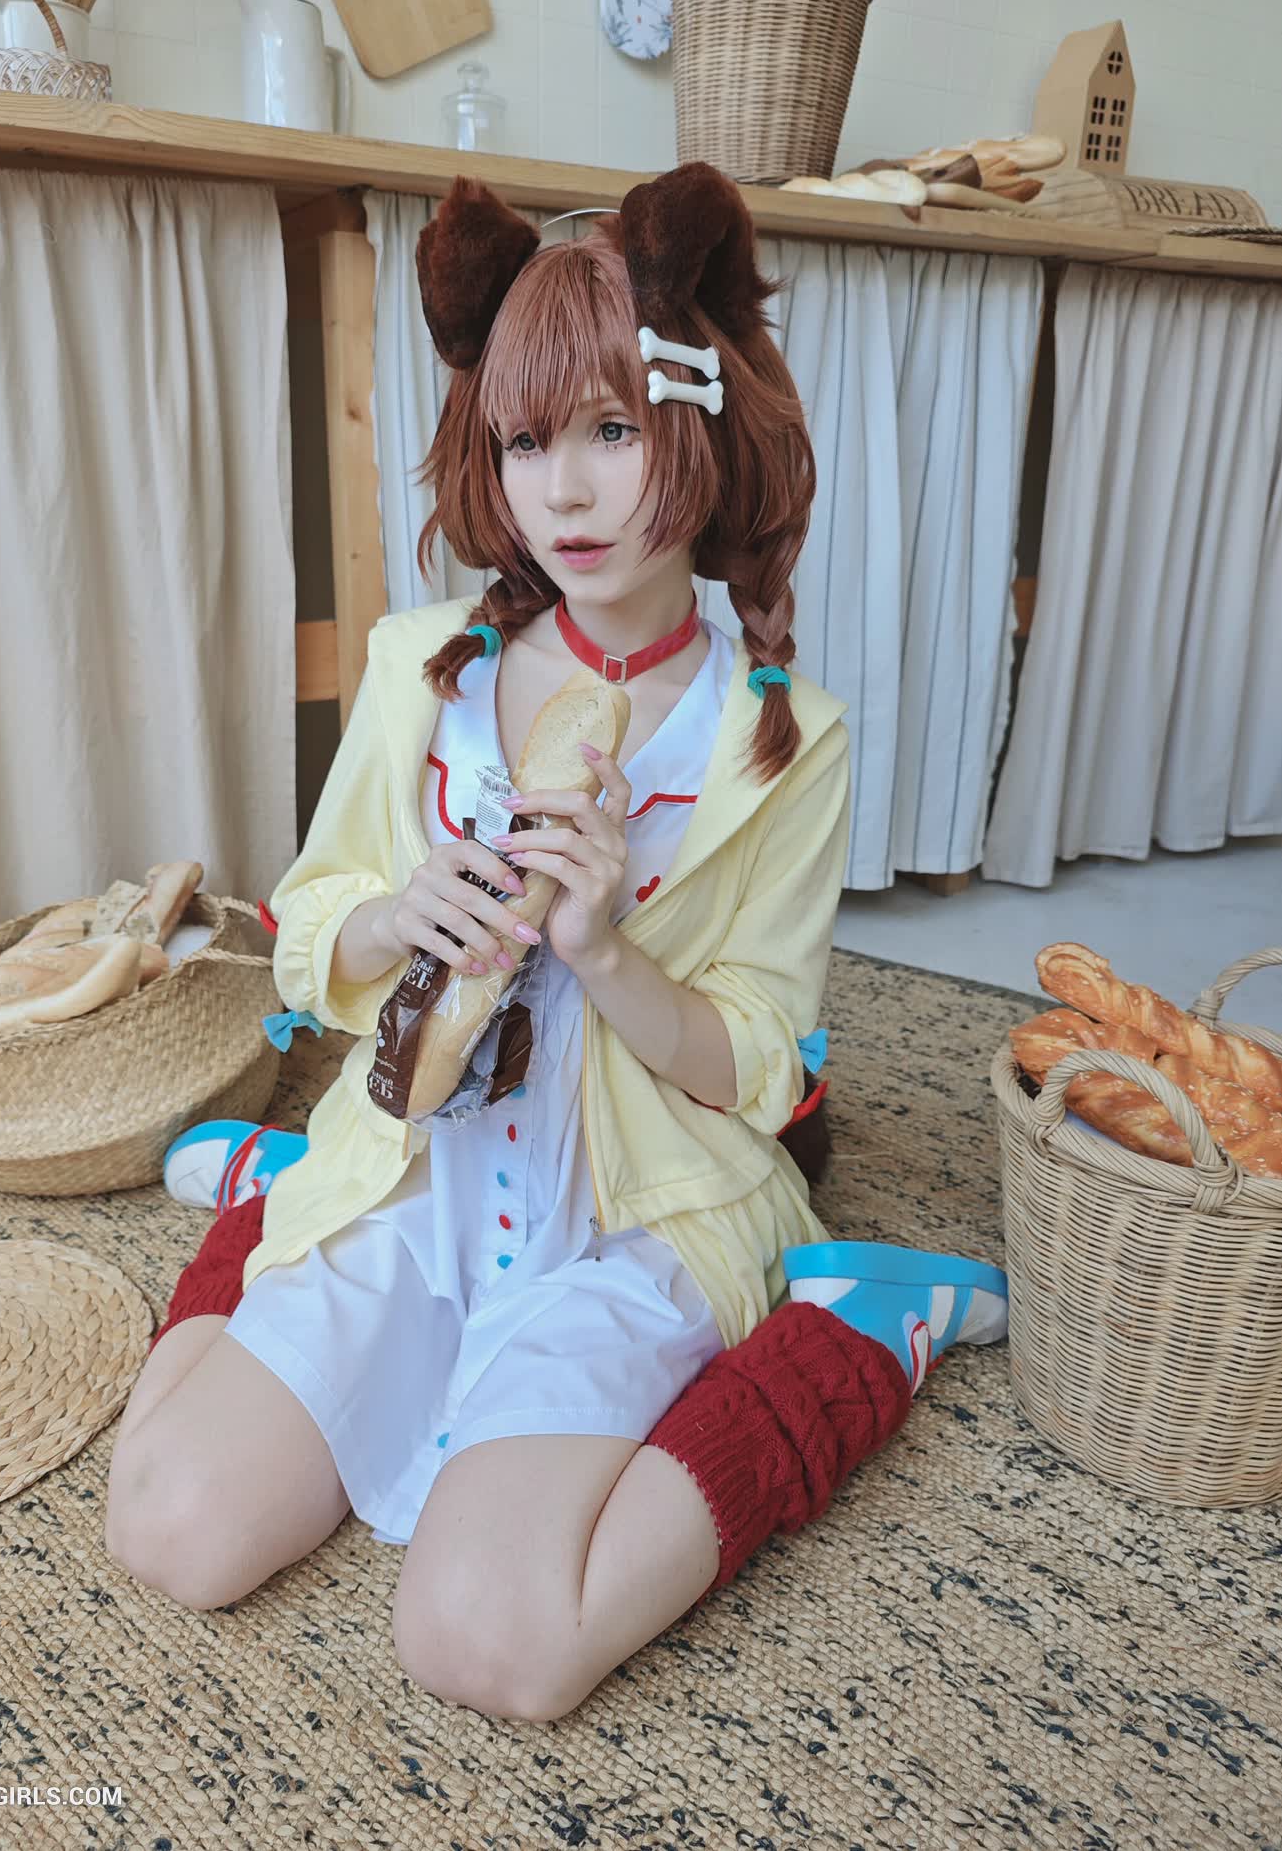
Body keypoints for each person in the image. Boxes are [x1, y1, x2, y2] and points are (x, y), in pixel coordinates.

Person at [104, 164, 1007, 1723]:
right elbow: (305, 931)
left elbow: (761, 1066)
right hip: (415, 1177)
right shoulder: (425, 672)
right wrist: (394, 914)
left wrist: (607, 953)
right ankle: (279, 1194)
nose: (565, 495)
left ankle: (861, 1330)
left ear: (701, 427)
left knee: (494, 1648)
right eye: (526, 442)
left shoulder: (780, 739)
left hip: (628, 1212)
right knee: (170, 1532)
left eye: (612, 431)